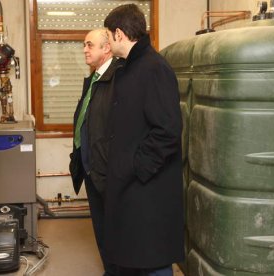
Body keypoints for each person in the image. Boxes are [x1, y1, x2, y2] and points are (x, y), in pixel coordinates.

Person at [103, 4, 184, 276]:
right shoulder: (129, 67)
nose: (107, 40)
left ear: (119, 34)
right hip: (131, 185)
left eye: (108, 35)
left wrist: (137, 167)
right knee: (134, 256)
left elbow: (168, 130)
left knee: (153, 258)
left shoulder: (154, 68)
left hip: (147, 188)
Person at [69, 29, 121, 276]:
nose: (85, 49)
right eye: (84, 45)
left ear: (107, 48)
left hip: (107, 169)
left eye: (90, 45)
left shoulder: (118, 77)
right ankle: (110, 271)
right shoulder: (94, 78)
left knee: (115, 229)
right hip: (90, 166)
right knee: (100, 228)